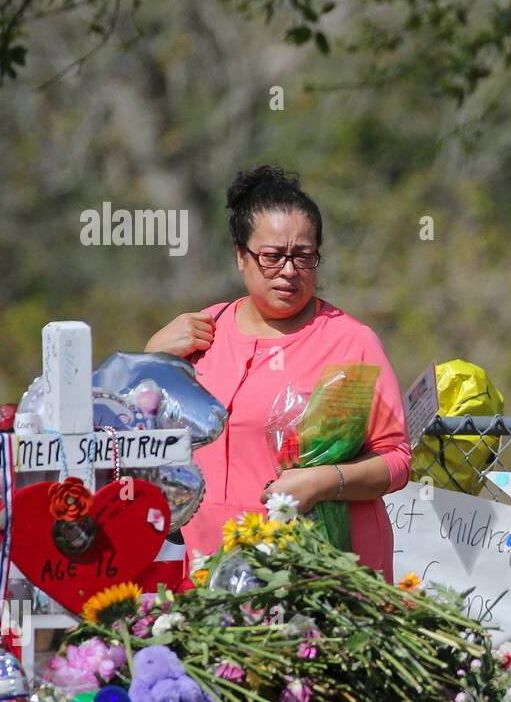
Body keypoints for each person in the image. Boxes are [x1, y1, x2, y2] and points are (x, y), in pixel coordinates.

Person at [145, 165, 411, 581]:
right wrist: (152, 358)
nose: (289, 271)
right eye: (271, 257)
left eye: (303, 256)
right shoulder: (199, 334)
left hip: (318, 573)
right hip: (204, 573)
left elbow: (395, 460)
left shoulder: (350, 343)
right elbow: (135, 436)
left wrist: (322, 482)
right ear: (240, 256)